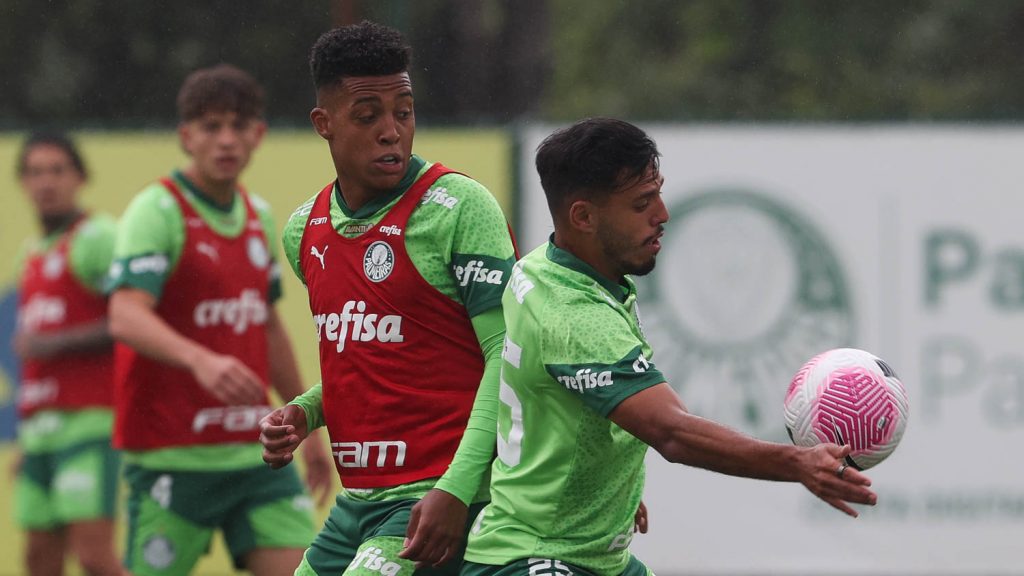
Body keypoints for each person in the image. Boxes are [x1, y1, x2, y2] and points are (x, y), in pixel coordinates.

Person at [460, 118, 879, 576]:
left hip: (594, 554)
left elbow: (555, 397)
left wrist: (610, 488)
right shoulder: (576, 314)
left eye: (658, 192)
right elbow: (672, 433)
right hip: (536, 556)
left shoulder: (546, 268)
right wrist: (797, 463)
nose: (662, 213)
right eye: (642, 203)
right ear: (583, 216)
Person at [257, 21, 518, 576]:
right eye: (367, 114)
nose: (391, 131)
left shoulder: (459, 208)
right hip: (357, 505)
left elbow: (507, 357)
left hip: (439, 499)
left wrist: (457, 488)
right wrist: (306, 412)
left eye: (403, 111)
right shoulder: (305, 230)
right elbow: (385, 364)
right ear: (323, 124)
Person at [107, 64, 332, 576]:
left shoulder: (258, 215)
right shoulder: (157, 209)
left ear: (259, 134)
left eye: (239, 124)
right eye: (211, 127)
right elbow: (124, 315)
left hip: (255, 458)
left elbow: (266, 325)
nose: (226, 140)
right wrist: (200, 360)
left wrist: (310, 429)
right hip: (171, 459)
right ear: (187, 136)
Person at [12, 132, 124, 576]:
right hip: (41, 432)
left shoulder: (98, 237)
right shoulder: (33, 253)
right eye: (36, 172)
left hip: (89, 424)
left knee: (96, 558)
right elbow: (34, 357)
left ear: (80, 177)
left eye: (58, 170)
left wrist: (53, 343)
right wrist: (25, 437)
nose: (47, 182)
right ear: (23, 182)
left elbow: (131, 317)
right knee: (39, 560)